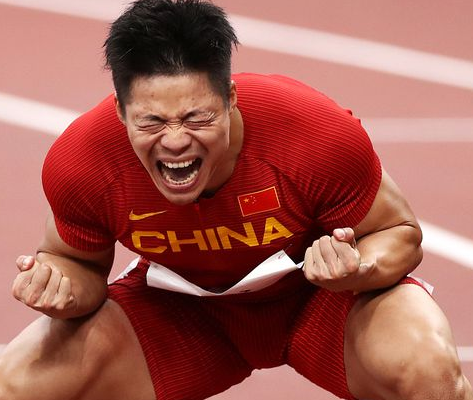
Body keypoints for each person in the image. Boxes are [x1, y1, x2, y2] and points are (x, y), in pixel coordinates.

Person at [0, 0, 471, 399]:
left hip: (321, 300)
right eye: (151, 122)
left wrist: (357, 268)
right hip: (182, 317)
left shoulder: (314, 133)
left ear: (230, 98)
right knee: (18, 383)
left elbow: (399, 234)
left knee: (429, 372)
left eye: (196, 117)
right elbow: (74, 264)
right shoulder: (84, 161)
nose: (175, 141)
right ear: (121, 111)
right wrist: (59, 290)